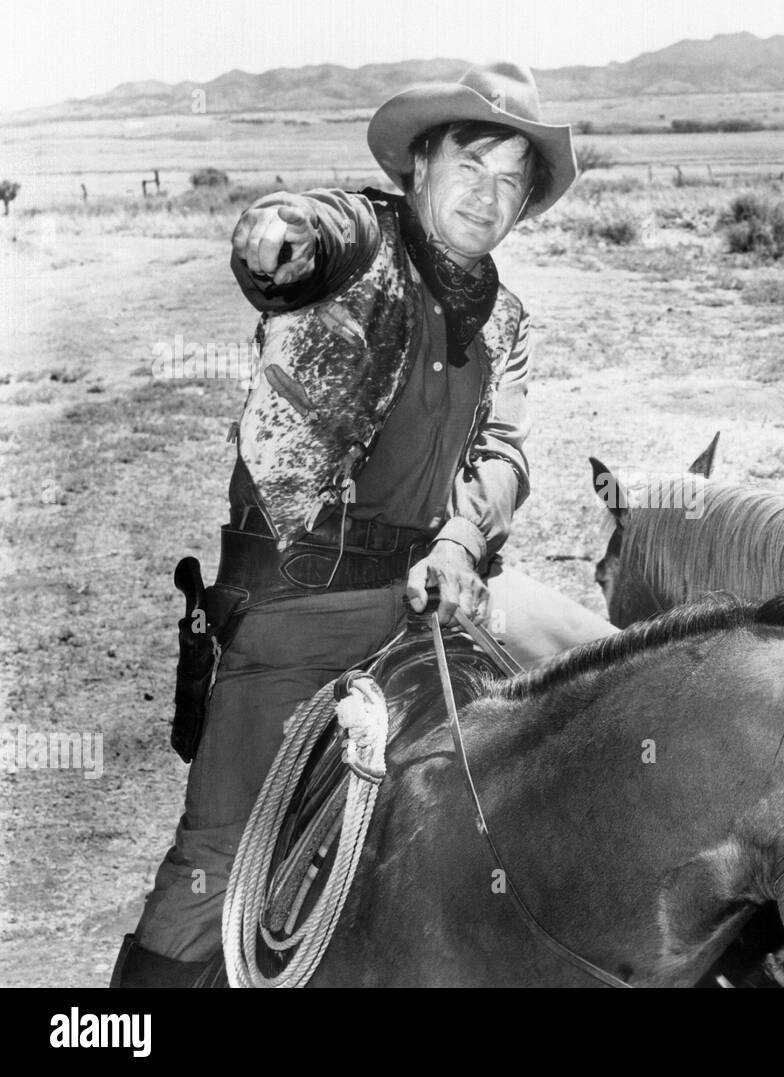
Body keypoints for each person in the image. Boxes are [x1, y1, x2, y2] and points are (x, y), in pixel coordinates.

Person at [113, 62, 614, 987]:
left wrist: (462, 543)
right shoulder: (360, 239)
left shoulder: (506, 320)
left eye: (513, 181)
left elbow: (505, 454)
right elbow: (296, 235)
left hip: (443, 590)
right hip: (303, 607)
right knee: (213, 863)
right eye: (473, 164)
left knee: (620, 685)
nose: (489, 194)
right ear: (421, 166)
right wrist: (278, 235)